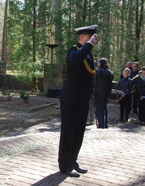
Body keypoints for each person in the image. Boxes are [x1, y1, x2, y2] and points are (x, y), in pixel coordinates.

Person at [58, 25, 98, 177]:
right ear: (81, 38)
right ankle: (65, 165)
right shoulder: (73, 51)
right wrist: (89, 45)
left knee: (78, 134)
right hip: (71, 99)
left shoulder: (87, 54)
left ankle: (73, 161)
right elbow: (77, 57)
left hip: (82, 100)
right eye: (89, 37)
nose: (92, 40)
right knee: (68, 134)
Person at [93, 58, 114, 128]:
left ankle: (101, 124)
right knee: (104, 108)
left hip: (98, 93)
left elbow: (94, 79)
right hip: (106, 93)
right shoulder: (110, 73)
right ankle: (105, 123)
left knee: (99, 109)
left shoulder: (99, 72)